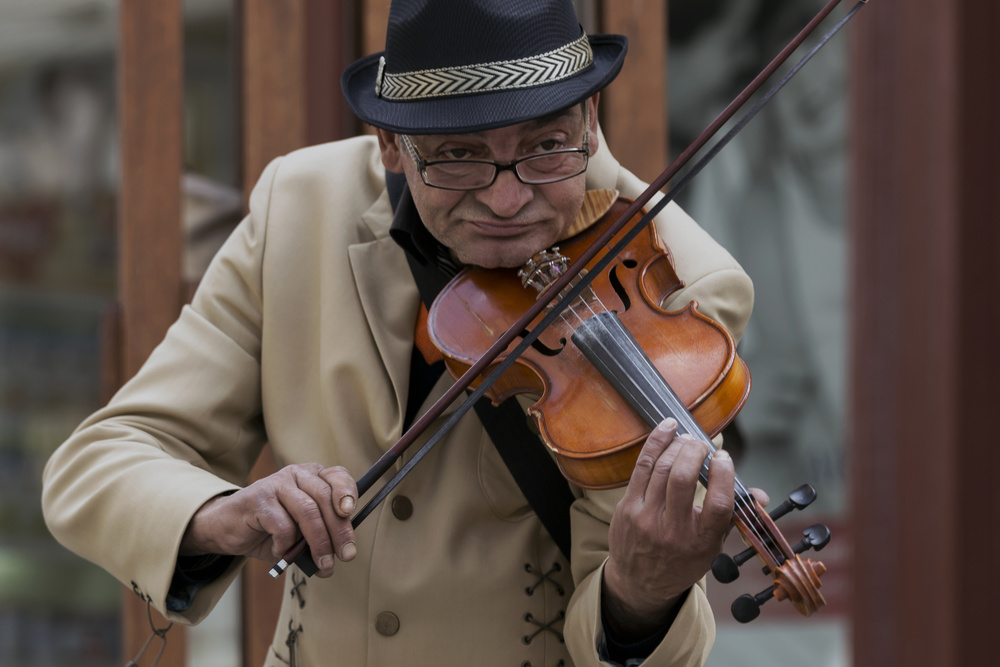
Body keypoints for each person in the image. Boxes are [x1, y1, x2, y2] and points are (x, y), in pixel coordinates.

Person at [42, 1, 754, 665]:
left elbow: (625, 635)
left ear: (590, 119)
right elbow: (101, 462)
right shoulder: (300, 206)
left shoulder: (673, 287)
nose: (508, 200)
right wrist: (220, 513)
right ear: (388, 143)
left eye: (547, 146)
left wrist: (644, 589)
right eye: (459, 155)